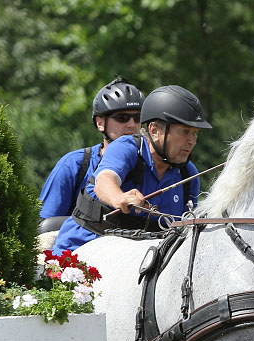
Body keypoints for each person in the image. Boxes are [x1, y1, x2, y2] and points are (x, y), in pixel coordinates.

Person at [51, 85, 212, 253]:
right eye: (185, 131)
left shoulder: (189, 173)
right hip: (80, 251)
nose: (192, 141)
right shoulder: (126, 147)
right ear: (154, 130)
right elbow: (105, 180)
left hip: (136, 265)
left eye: (195, 133)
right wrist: (118, 197)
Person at [37, 77, 145, 232]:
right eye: (122, 118)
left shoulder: (156, 167)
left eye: (137, 118)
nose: (131, 124)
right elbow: (44, 228)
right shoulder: (73, 164)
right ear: (100, 123)